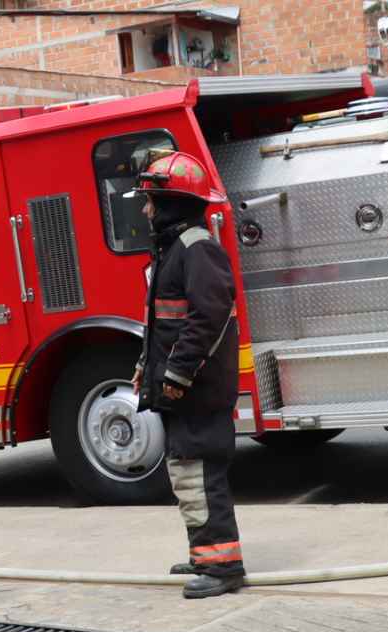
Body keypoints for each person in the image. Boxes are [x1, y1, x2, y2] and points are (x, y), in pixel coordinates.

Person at [123, 150, 245, 599]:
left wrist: (177, 373)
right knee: (185, 470)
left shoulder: (198, 249)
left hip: (198, 390)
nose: (145, 209)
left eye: (151, 201)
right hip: (183, 388)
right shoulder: (175, 251)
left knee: (199, 472)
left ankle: (224, 566)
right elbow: (164, 324)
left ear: (172, 203)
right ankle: (205, 553)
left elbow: (209, 317)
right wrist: (146, 369)